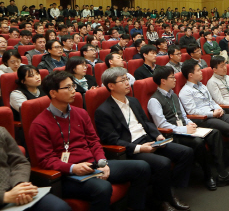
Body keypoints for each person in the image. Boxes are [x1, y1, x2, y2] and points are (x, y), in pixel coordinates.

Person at [28, 70, 152, 211]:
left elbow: (94, 141)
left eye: (73, 86)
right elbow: (46, 160)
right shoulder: (40, 124)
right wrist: (73, 168)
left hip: (93, 165)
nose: (73, 90)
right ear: (53, 93)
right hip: (67, 175)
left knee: (142, 167)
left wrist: (102, 162)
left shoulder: (80, 113)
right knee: (103, 188)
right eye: (67, 87)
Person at [95, 67, 193, 211]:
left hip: (149, 139)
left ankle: (169, 189)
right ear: (111, 86)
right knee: (163, 163)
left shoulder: (133, 101)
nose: (127, 83)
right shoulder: (103, 111)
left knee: (186, 152)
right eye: (122, 80)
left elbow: (146, 122)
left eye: (127, 79)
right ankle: (163, 199)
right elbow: (112, 140)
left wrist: (158, 135)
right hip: (132, 147)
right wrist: (140, 148)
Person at [149, 66, 229, 191]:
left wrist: (189, 124)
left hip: (186, 129)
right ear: (163, 81)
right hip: (172, 135)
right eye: (172, 77)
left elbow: (183, 115)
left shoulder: (174, 96)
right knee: (198, 142)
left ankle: (222, 174)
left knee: (214, 133)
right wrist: (184, 130)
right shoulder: (154, 100)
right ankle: (208, 176)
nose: (175, 80)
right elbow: (161, 125)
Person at [0, 125, 71, 211]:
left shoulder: (1, 132)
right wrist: (4, 196)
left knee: (60, 207)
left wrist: (20, 185)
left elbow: (19, 162)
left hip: (16, 192)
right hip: (4, 198)